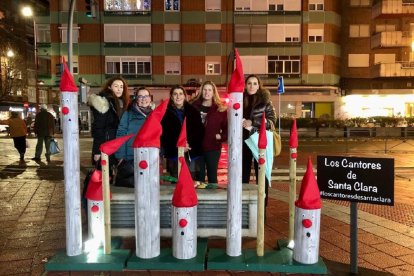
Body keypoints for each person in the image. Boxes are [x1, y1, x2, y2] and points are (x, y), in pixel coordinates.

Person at [242, 74, 277, 206]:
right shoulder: (240, 99)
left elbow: (272, 122)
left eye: (255, 83)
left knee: (262, 175)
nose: (252, 86)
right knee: (243, 175)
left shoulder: (265, 101)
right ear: (245, 85)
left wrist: (254, 121)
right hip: (243, 142)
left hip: (258, 142)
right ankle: (243, 204)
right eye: (249, 83)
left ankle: (263, 207)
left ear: (259, 85)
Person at [161, 85, 204, 180]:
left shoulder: (193, 111)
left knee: (191, 180)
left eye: (180, 94)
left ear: (185, 96)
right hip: (174, 153)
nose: (178, 96)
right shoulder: (165, 113)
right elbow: (164, 135)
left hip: (191, 153)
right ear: (171, 96)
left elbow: (199, 132)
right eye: (175, 94)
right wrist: (178, 145)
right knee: (176, 182)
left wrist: (188, 144)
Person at [114, 87, 153, 187]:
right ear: (136, 99)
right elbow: (121, 134)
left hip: (150, 156)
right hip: (131, 156)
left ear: (150, 98)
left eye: (146, 96)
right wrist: (120, 156)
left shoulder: (155, 115)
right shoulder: (128, 114)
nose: (144, 99)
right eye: (140, 96)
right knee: (132, 188)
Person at [88, 76, 130, 167]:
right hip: (106, 146)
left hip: (119, 146)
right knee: (104, 177)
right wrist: (97, 151)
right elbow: (98, 128)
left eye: (121, 87)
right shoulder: (103, 103)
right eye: (116, 86)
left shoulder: (123, 103)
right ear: (109, 87)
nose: (119, 89)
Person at [191, 80, 227, 184]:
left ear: (213, 92)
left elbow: (226, 128)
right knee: (199, 178)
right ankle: (199, 200)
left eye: (209, 90)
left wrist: (221, 137)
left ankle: (214, 199)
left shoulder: (220, 109)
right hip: (197, 148)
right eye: (205, 90)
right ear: (201, 92)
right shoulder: (194, 107)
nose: (207, 92)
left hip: (213, 148)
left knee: (212, 177)